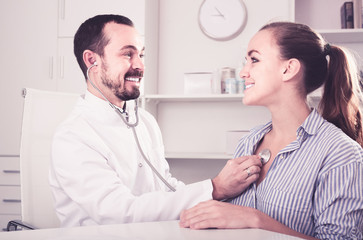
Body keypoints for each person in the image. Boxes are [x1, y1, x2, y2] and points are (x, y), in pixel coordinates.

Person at [49, 14, 261, 227]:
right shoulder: (73, 136)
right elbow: (118, 213)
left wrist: (217, 200)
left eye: (141, 55)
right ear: (92, 60)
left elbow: (166, 186)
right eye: (128, 54)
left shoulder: (145, 121)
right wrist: (214, 188)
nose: (140, 65)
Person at [179, 21, 363, 239]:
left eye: (254, 60)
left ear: (289, 69)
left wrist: (255, 220)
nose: (243, 72)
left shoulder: (340, 153)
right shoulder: (249, 142)